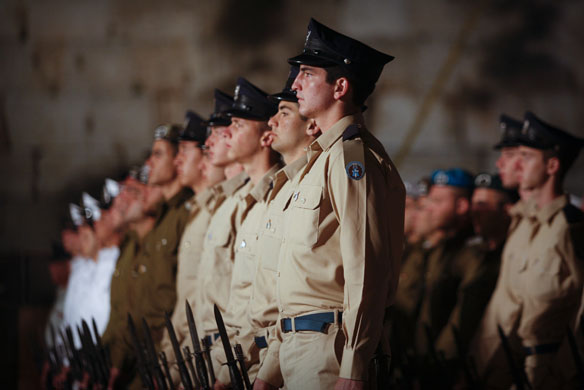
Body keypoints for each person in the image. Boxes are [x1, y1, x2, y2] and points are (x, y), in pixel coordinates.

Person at [255, 18, 405, 390]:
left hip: (329, 348)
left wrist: (353, 365)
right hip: (297, 344)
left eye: (307, 74)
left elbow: (365, 268)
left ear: (340, 86)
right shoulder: (318, 161)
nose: (294, 84)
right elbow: (294, 281)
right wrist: (269, 369)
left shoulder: (350, 158)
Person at [472, 111, 584, 389]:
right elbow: (502, 308)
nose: (517, 165)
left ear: (552, 165)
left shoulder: (570, 228)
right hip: (512, 366)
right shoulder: (522, 224)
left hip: (552, 373)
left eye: (527, 157)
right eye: (516, 156)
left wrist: (565, 374)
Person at [210, 77, 280, 388]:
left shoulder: (274, 197)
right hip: (229, 352)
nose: (225, 134)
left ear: (266, 137)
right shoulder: (246, 201)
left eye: (238, 125)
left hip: (256, 357)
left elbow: (267, 298)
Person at [158, 108, 225, 386]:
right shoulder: (197, 210)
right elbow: (188, 296)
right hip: (189, 345)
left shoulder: (214, 209)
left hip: (213, 346)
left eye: (186, 150)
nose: (178, 160)